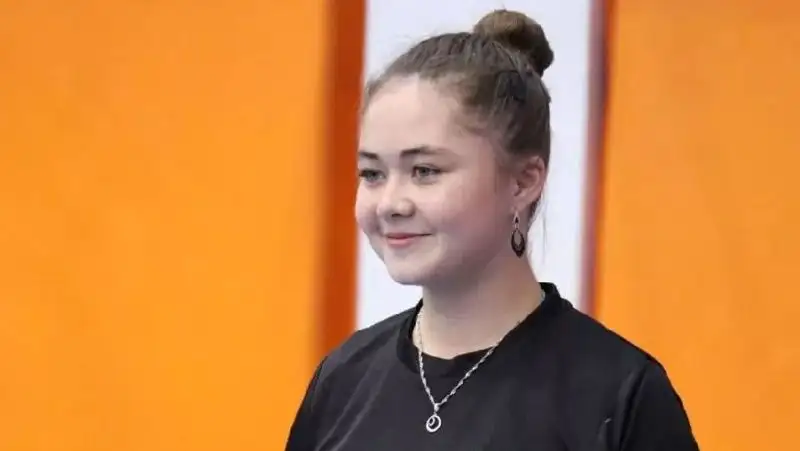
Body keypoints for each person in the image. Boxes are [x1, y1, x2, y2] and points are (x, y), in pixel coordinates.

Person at [286, 9, 698, 451]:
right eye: (372, 173)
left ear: (522, 181)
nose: (390, 203)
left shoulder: (620, 395)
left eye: (425, 170)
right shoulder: (341, 381)